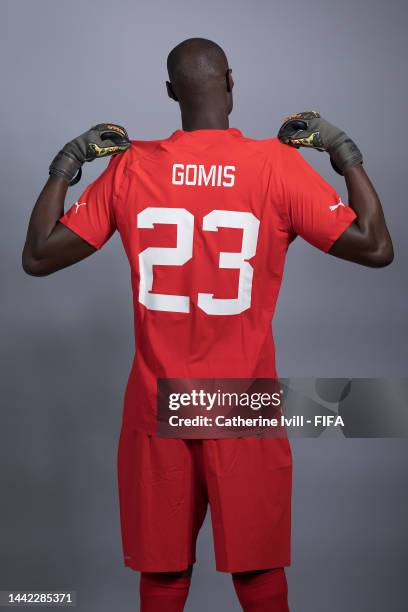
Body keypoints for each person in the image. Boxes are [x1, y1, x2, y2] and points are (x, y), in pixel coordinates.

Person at [22, 37, 393, 612]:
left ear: (171, 92)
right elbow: (376, 247)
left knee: (164, 576)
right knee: (259, 572)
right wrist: (344, 152)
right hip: (240, 403)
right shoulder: (276, 164)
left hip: (155, 401)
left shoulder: (131, 167)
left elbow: (38, 255)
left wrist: (66, 164)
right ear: (231, 83)